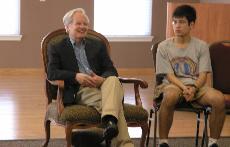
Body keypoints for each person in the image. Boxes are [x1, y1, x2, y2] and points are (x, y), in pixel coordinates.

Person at [47, 8, 134, 147]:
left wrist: (101, 79)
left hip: (103, 85)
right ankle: (124, 142)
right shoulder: (56, 47)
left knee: (112, 79)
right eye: (78, 23)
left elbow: (111, 70)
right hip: (79, 89)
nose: (83, 27)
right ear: (67, 27)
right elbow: (52, 73)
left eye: (85, 24)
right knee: (114, 103)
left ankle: (110, 123)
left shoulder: (97, 45)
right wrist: (76, 76)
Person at [155, 5, 225, 147]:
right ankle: (163, 142)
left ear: (191, 24)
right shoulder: (163, 47)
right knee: (170, 97)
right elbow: (169, 75)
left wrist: (193, 88)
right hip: (172, 84)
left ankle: (213, 143)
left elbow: (204, 74)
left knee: (219, 99)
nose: (177, 26)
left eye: (181, 22)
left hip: (196, 85)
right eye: (174, 22)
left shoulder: (201, 46)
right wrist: (185, 88)